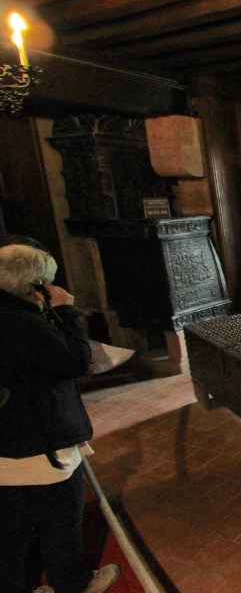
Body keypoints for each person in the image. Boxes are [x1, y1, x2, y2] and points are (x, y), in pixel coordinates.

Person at [0, 242, 120, 593]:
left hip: (7, 444)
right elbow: (74, 360)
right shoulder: (21, 323)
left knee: (11, 529)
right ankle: (72, 584)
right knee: (62, 518)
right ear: (34, 286)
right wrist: (65, 311)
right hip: (39, 443)